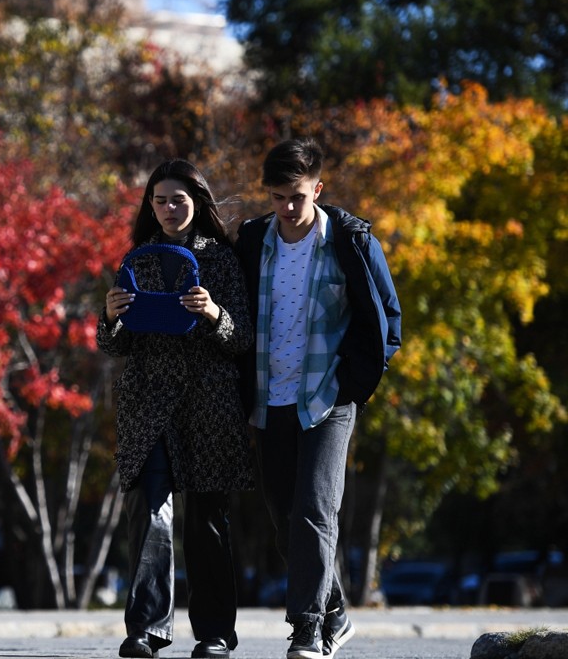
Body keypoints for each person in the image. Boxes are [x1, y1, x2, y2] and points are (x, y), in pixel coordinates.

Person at [234, 137, 402, 659]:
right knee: (284, 518)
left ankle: (306, 628)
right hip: (268, 398)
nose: (287, 207)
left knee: (314, 508)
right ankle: (334, 610)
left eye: (298, 196)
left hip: (327, 397)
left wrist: (354, 385)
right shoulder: (252, 240)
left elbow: (388, 319)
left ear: (318, 190)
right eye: (278, 196)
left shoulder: (351, 241)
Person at [97, 159, 254, 659]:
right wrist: (110, 318)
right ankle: (145, 629)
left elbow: (243, 339)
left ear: (198, 202)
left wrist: (213, 313)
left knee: (207, 520)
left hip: (209, 407)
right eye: (159, 200)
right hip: (148, 405)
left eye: (178, 199)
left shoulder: (222, 260)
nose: (168, 209)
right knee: (150, 512)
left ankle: (214, 635)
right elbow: (112, 346)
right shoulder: (137, 258)